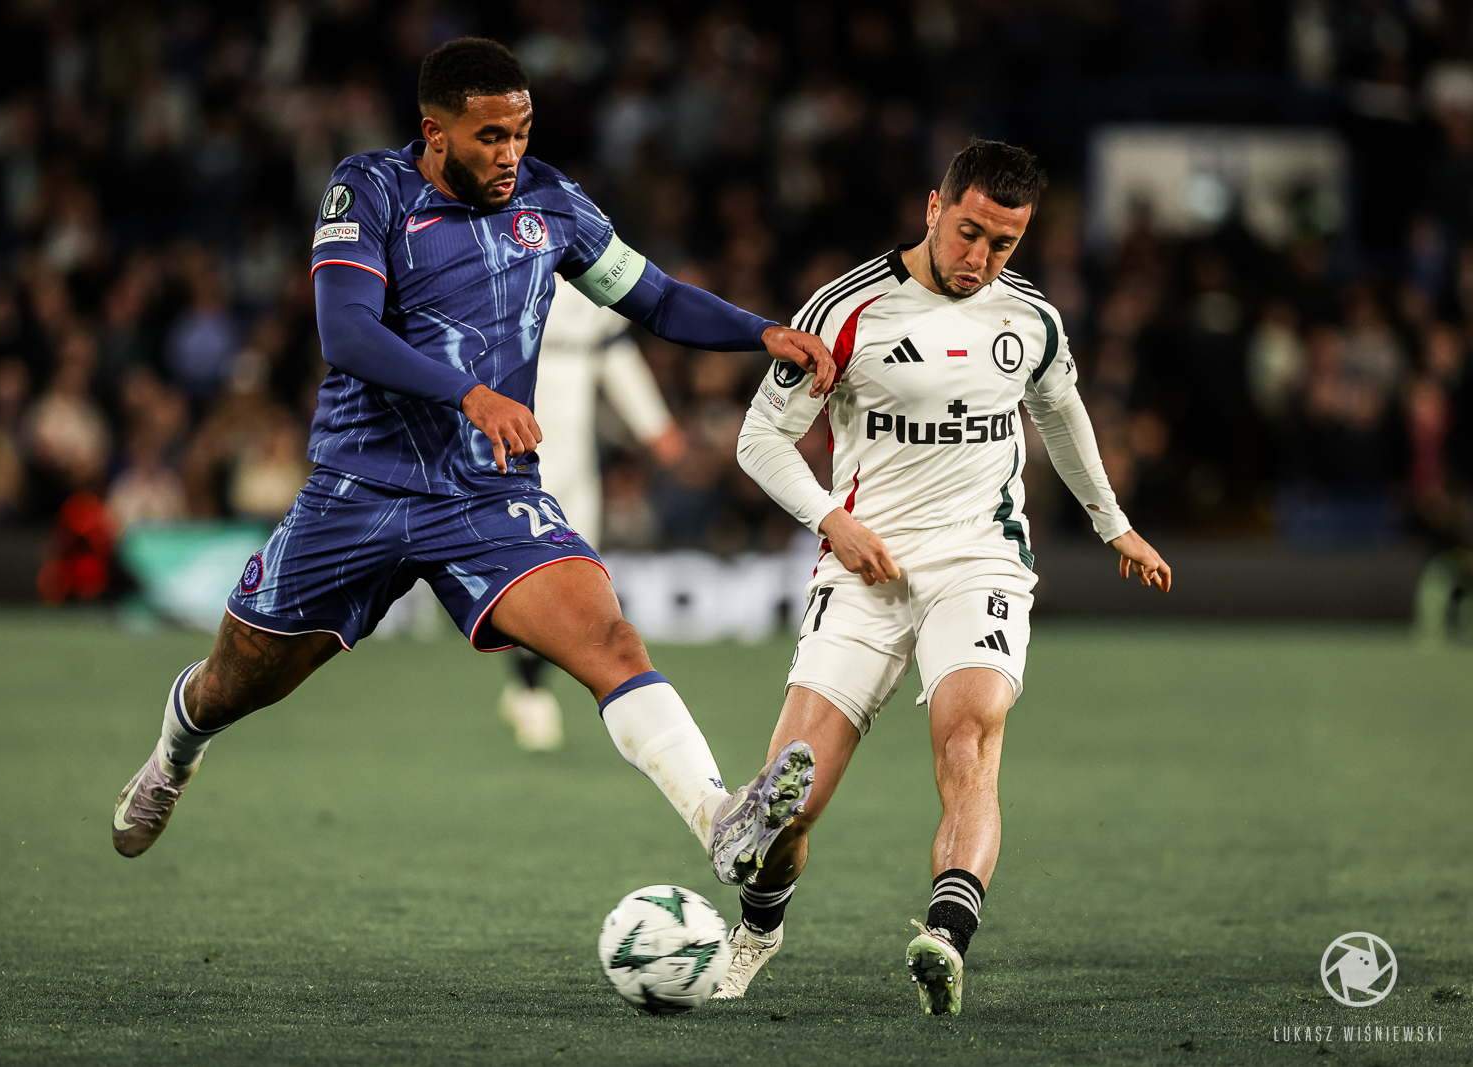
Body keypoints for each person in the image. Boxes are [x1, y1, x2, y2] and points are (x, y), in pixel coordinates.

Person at [109, 38, 828, 889]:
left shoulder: (554, 203)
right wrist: (470, 395)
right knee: (235, 684)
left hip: (487, 493)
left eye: (521, 133)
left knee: (611, 639)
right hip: (363, 484)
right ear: (435, 132)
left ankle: (719, 818)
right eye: (490, 136)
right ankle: (173, 753)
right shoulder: (369, 188)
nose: (510, 153)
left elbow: (657, 297)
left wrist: (760, 330)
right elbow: (346, 331)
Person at [709, 140, 1172, 1014]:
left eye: (1003, 243)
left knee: (969, 737)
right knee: (787, 804)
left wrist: (1112, 522)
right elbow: (759, 438)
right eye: (968, 232)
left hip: (979, 558)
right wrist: (832, 520)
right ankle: (760, 926)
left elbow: (1061, 411)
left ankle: (946, 937)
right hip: (863, 568)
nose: (979, 259)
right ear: (934, 206)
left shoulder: (1030, 318)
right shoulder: (845, 310)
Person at [499, 278, 686, 752]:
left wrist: (655, 425)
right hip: (515, 461)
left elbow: (616, 356)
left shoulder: (592, 281)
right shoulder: (507, 274)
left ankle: (529, 685)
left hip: (577, 465)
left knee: (579, 580)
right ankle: (531, 690)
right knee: (527, 576)